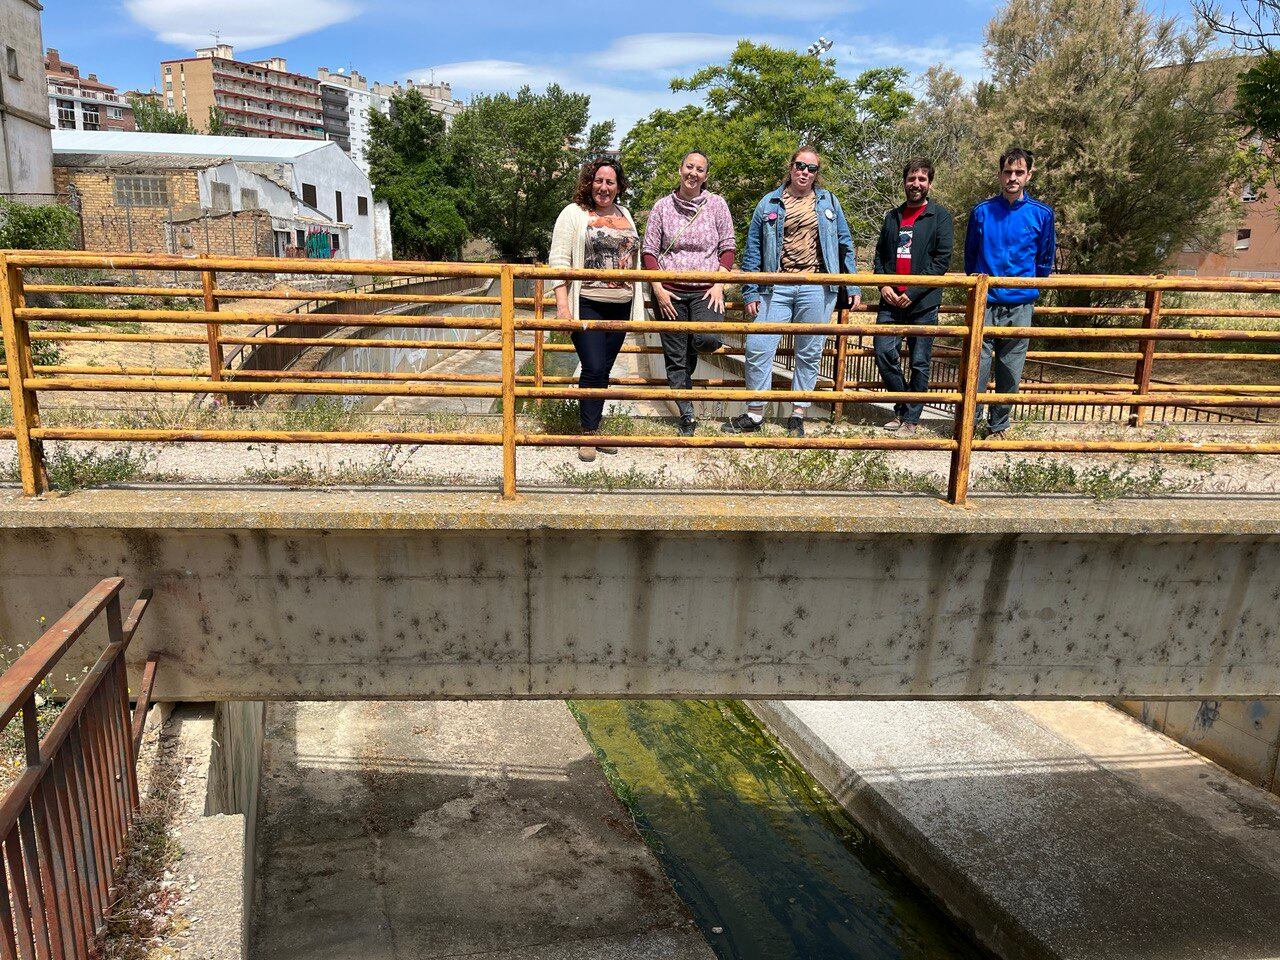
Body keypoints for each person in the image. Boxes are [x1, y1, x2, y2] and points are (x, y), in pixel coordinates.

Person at [724, 146, 859, 438]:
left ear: (816, 174)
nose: (805, 172)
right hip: (776, 287)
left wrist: (853, 284)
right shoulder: (769, 203)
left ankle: (797, 414)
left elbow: (845, 244)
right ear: (791, 167)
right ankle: (755, 413)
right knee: (759, 348)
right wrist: (750, 292)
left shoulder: (829, 202)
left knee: (808, 352)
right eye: (800, 165)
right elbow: (753, 252)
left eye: (812, 169)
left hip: (816, 286)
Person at [549, 157, 646, 462]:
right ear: (590, 182)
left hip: (620, 304)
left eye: (610, 182)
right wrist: (563, 306)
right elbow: (559, 261)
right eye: (599, 181)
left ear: (619, 187)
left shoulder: (625, 213)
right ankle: (587, 433)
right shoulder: (574, 214)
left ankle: (595, 426)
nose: (604, 187)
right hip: (587, 303)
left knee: (603, 369)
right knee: (592, 366)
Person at [641, 151, 736, 436]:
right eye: (689, 167)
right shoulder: (662, 207)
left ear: (706, 176)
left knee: (706, 339)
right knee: (675, 358)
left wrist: (719, 283)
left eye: (700, 169)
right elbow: (649, 251)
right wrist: (658, 289)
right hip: (669, 293)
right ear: (680, 169)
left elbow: (728, 247)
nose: (693, 173)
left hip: (706, 290)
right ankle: (687, 415)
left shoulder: (716, 204)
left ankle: (691, 356)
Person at [964, 147, 1056, 438]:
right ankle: (970, 421)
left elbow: (1044, 259)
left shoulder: (1041, 214)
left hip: (1020, 303)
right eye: (1007, 172)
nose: (1012, 178)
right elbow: (970, 256)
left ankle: (999, 425)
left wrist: (1028, 288)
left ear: (1029, 175)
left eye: (1018, 172)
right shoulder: (982, 212)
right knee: (977, 364)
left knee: (1011, 368)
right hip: (986, 301)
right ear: (999, 174)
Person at [872, 158, 954, 437]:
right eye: (911, 178)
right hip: (890, 301)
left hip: (923, 303)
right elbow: (880, 257)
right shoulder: (892, 217)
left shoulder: (939, 216)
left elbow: (941, 262)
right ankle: (905, 405)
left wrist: (914, 292)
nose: (915, 184)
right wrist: (884, 286)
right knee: (883, 351)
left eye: (921, 179)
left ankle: (910, 420)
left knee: (920, 361)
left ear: (929, 183)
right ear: (904, 181)